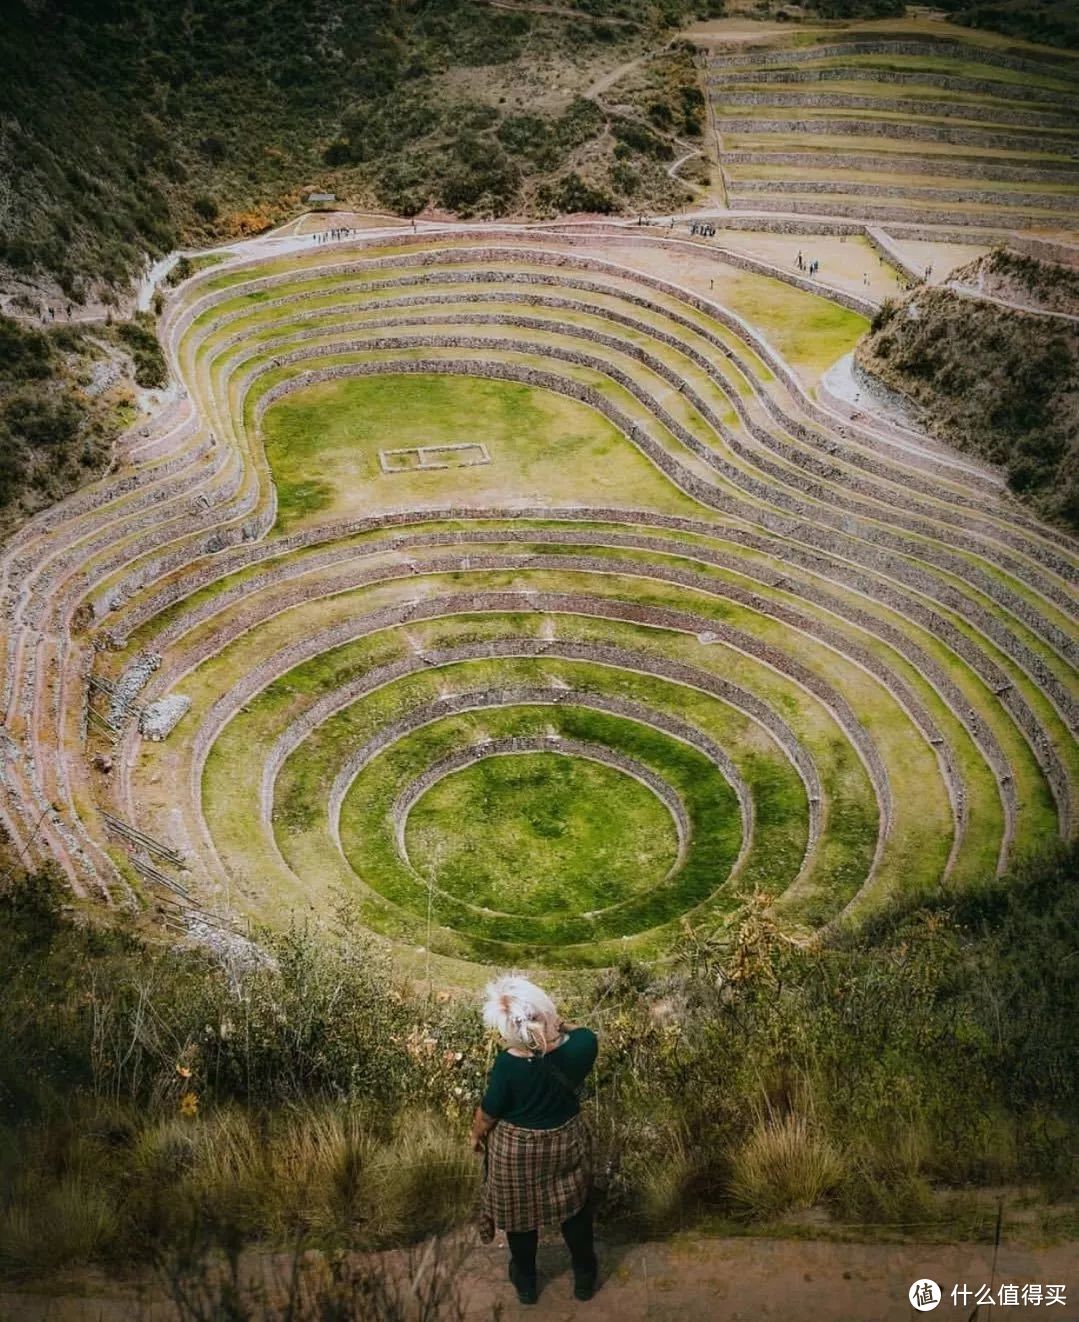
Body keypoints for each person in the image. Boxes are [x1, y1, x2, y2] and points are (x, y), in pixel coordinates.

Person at [471, 975, 599, 1305]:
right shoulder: (584, 1046)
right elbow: (579, 1032)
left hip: (516, 1150)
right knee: (574, 1210)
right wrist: (555, 1024)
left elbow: (488, 1114)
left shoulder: (507, 1065)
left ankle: (526, 1283)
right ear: (543, 1011)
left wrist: (476, 1135)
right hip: (564, 1143)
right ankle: (585, 1276)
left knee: (519, 1218)